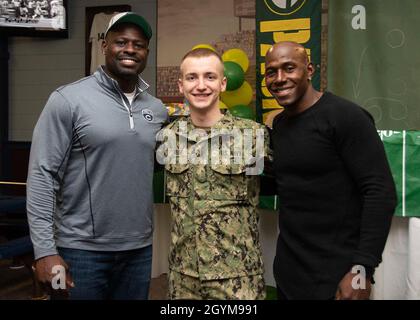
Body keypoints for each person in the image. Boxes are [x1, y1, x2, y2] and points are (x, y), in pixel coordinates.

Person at [26, 12, 168, 300]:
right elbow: (42, 176)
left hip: (138, 251)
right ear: (104, 45)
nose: (130, 49)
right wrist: (44, 252)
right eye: (121, 41)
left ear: (146, 52)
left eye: (138, 44)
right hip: (78, 251)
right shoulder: (67, 100)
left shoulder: (157, 109)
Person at [265, 41, 397, 300]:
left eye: (289, 68)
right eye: (272, 72)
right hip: (290, 275)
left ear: (309, 70)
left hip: (338, 278)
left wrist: (362, 271)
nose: (279, 78)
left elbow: (380, 192)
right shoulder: (279, 124)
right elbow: (288, 182)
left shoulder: (345, 116)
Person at [157, 48, 269, 299]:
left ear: (223, 82)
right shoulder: (168, 137)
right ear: (181, 85)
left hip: (237, 277)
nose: (200, 85)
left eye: (209, 76)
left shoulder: (252, 136)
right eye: (192, 77)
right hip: (183, 278)